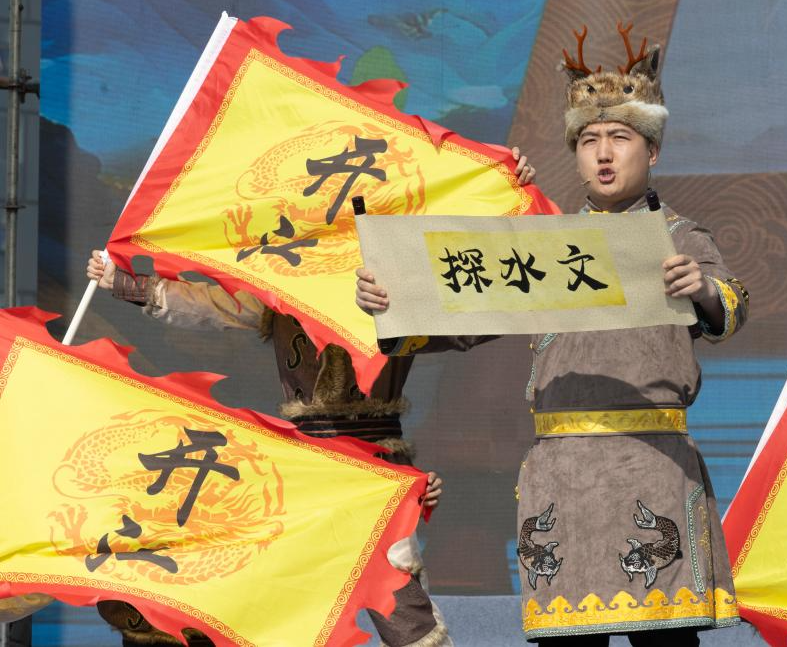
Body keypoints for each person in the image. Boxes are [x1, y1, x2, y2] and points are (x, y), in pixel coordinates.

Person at [356, 25, 749, 646]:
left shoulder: (678, 237)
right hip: (562, 472)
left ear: (652, 152)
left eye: (620, 138)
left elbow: (728, 307)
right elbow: (466, 319)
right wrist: (392, 304)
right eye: (590, 140)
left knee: (664, 638)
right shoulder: (547, 245)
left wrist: (700, 287)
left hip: (650, 463)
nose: (604, 154)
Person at [83, 148, 536, 647]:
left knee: (398, 596)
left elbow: (473, 319)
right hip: (304, 467)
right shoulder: (286, 280)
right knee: (287, 601)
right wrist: (127, 284)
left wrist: (506, 190)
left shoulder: (398, 284)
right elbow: (213, 305)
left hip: (375, 463)